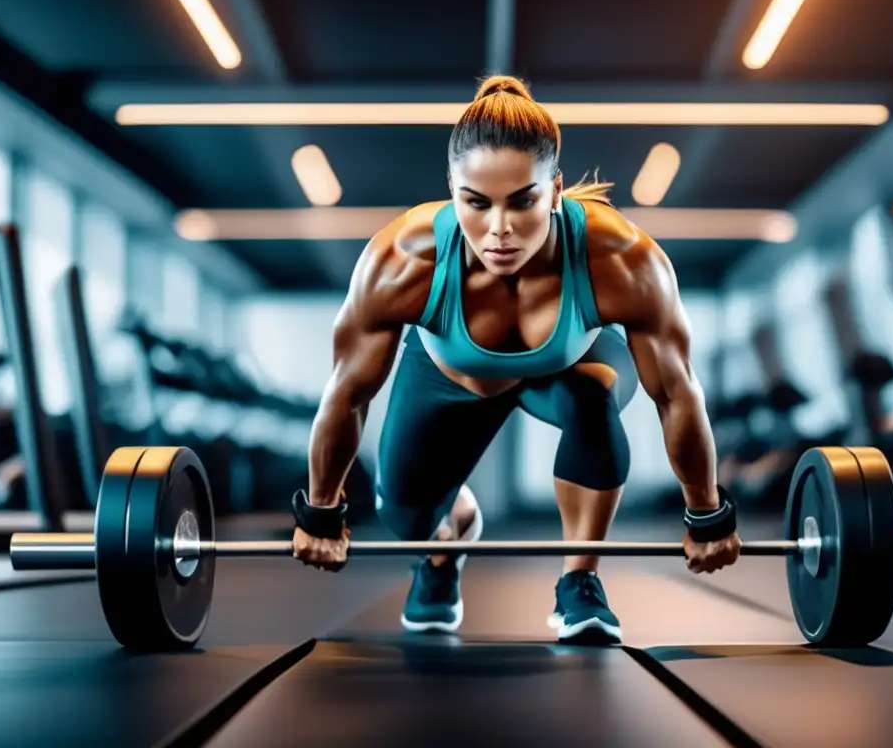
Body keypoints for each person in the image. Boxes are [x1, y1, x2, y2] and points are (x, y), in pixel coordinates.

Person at [290, 75, 741, 644]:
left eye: (522, 202)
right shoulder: (402, 259)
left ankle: (579, 582)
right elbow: (349, 393)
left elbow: (676, 391)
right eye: (475, 203)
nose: (498, 229)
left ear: (554, 191)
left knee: (593, 400)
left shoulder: (623, 259)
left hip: (566, 369)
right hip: (449, 379)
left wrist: (707, 512)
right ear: (451, 189)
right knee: (405, 516)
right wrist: (322, 510)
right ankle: (447, 541)